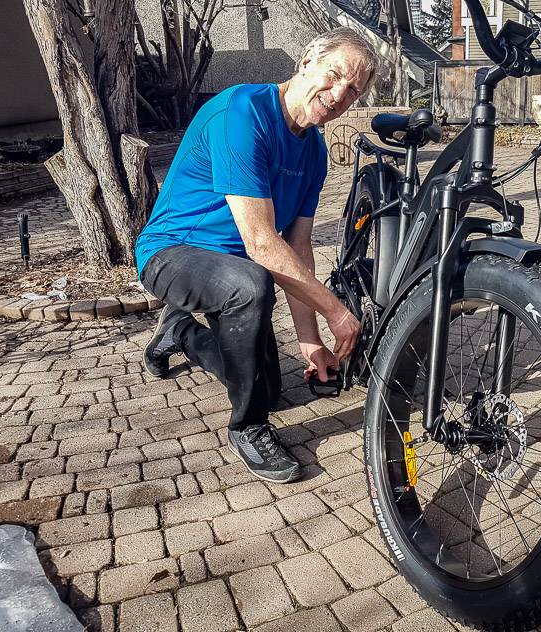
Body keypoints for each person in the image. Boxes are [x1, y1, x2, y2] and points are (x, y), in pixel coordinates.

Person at [135, 28, 378, 484]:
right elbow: (261, 242)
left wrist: (310, 342)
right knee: (251, 285)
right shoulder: (242, 113)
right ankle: (247, 428)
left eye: (354, 90)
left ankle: (181, 331)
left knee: (268, 388)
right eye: (336, 75)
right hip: (172, 253)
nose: (340, 94)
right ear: (306, 61)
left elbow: (298, 248)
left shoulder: (314, 152)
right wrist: (337, 314)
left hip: (240, 270)